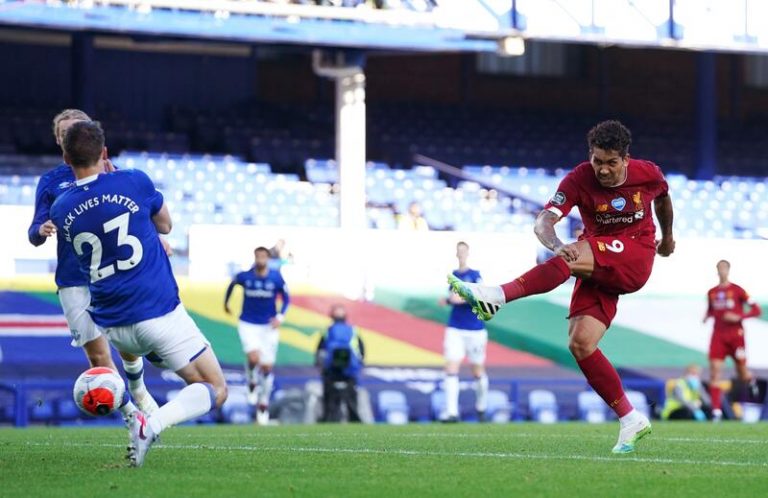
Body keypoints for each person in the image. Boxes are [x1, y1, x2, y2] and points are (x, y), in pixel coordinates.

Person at [449, 120, 675, 454]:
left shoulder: (648, 173)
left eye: (612, 162)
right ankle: (630, 418)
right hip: (598, 261)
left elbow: (663, 198)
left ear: (626, 159)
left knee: (575, 255)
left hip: (635, 255)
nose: (604, 170)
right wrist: (555, 245)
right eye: (598, 161)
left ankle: (497, 295)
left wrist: (667, 237)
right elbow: (543, 221)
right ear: (590, 155)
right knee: (581, 343)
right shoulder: (578, 179)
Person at [49, 121, 228, 467]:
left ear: (66, 158)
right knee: (214, 388)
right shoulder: (133, 180)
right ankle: (152, 423)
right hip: (157, 313)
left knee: (140, 351)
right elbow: (165, 225)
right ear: (104, 153)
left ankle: (138, 390)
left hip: (114, 328)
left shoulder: (61, 207)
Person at [28, 109, 158, 416]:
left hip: (112, 274)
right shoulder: (50, 182)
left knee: (126, 343)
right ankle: (135, 421)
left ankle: (139, 389)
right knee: (99, 357)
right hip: (73, 280)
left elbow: (139, 214)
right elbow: (33, 230)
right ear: (59, 141)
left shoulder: (114, 174)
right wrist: (41, 230)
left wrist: (156, 238)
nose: (70, 137)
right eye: (64, 134)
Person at [224, 246, 290, 425]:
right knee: (253, 358)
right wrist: (227, 304)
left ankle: (263, 403)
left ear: (268, 258)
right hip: (248, 323)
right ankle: (252, 381)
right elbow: (232, 284)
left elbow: (286, 298)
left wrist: (280, 317)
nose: (260, 259)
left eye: (264, 256)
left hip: (269, 326)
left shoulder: (275, 277)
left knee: (267, 368)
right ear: (254, 257)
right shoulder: (245, 276)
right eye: (258, 256)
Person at [703, 259, 762, 421]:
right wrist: (706, 316)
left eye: (724, 268)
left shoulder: (738, 290)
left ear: (728, 270)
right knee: (715, 371)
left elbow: (757, 310)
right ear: (717, 270)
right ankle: (716, 412)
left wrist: (739, 316)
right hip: (718, 336)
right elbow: (710, 309)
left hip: (736, 336)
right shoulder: (712, 292)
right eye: (719, 268)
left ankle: (750, 381)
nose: (721, 271)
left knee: (742, 374)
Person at [439, 241, 488, 422]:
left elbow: (479, 296)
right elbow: (452, 297)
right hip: (455, 328)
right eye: (458, 252)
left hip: (475, 329)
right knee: (451, 368)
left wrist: (457, 299)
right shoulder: (453, 276)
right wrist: (452, 299)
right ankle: (452, 412)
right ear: (456, 254)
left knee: (477, 371)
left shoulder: (475, 275)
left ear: (468, 253)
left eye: (463, 251)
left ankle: (481, 407)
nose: (461, 255)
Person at [315, 304, 365, 422]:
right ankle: (339, 420)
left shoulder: (331, 331)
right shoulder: (349, 330)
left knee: (340, 401)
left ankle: (335, 420)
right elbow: (361, 351)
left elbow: (319, 351)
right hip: (341, 371)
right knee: (341, 400)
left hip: (341, 370)